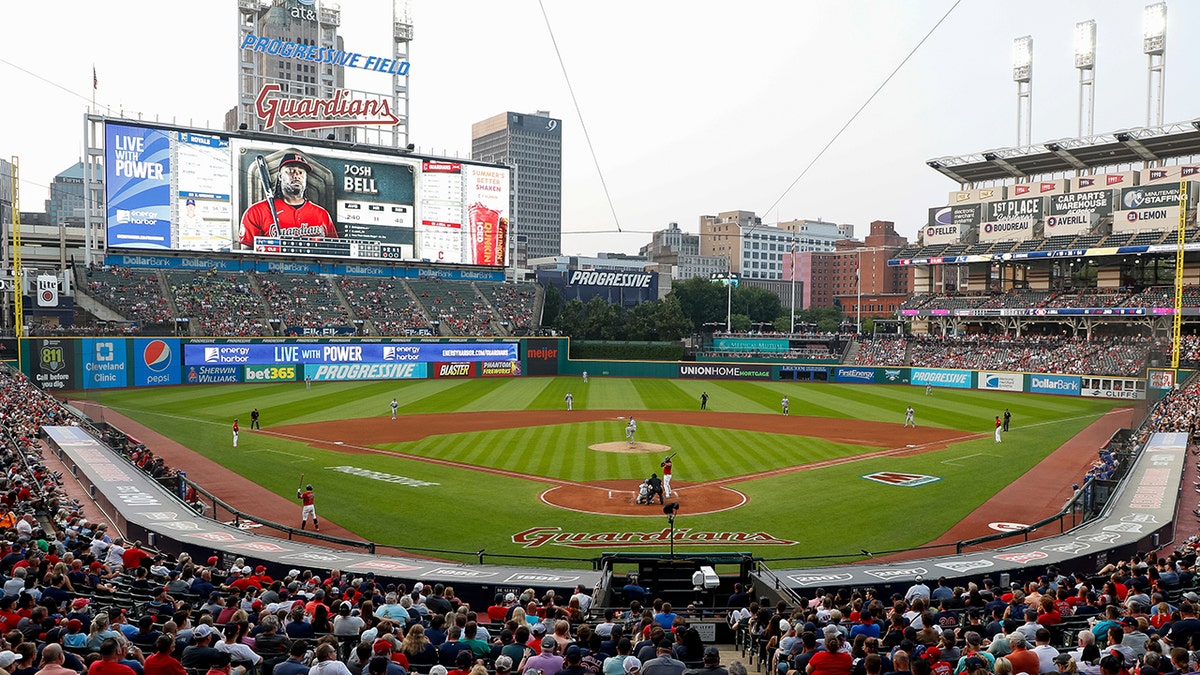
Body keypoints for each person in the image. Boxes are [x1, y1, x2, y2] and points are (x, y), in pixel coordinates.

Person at [239, 152, 337, 248]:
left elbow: (333, 250)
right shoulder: (257, 212)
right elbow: (247, 255)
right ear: (280, 176)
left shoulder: (322, 214)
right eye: (291, 171)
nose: (296, 175)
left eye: (301, 172)